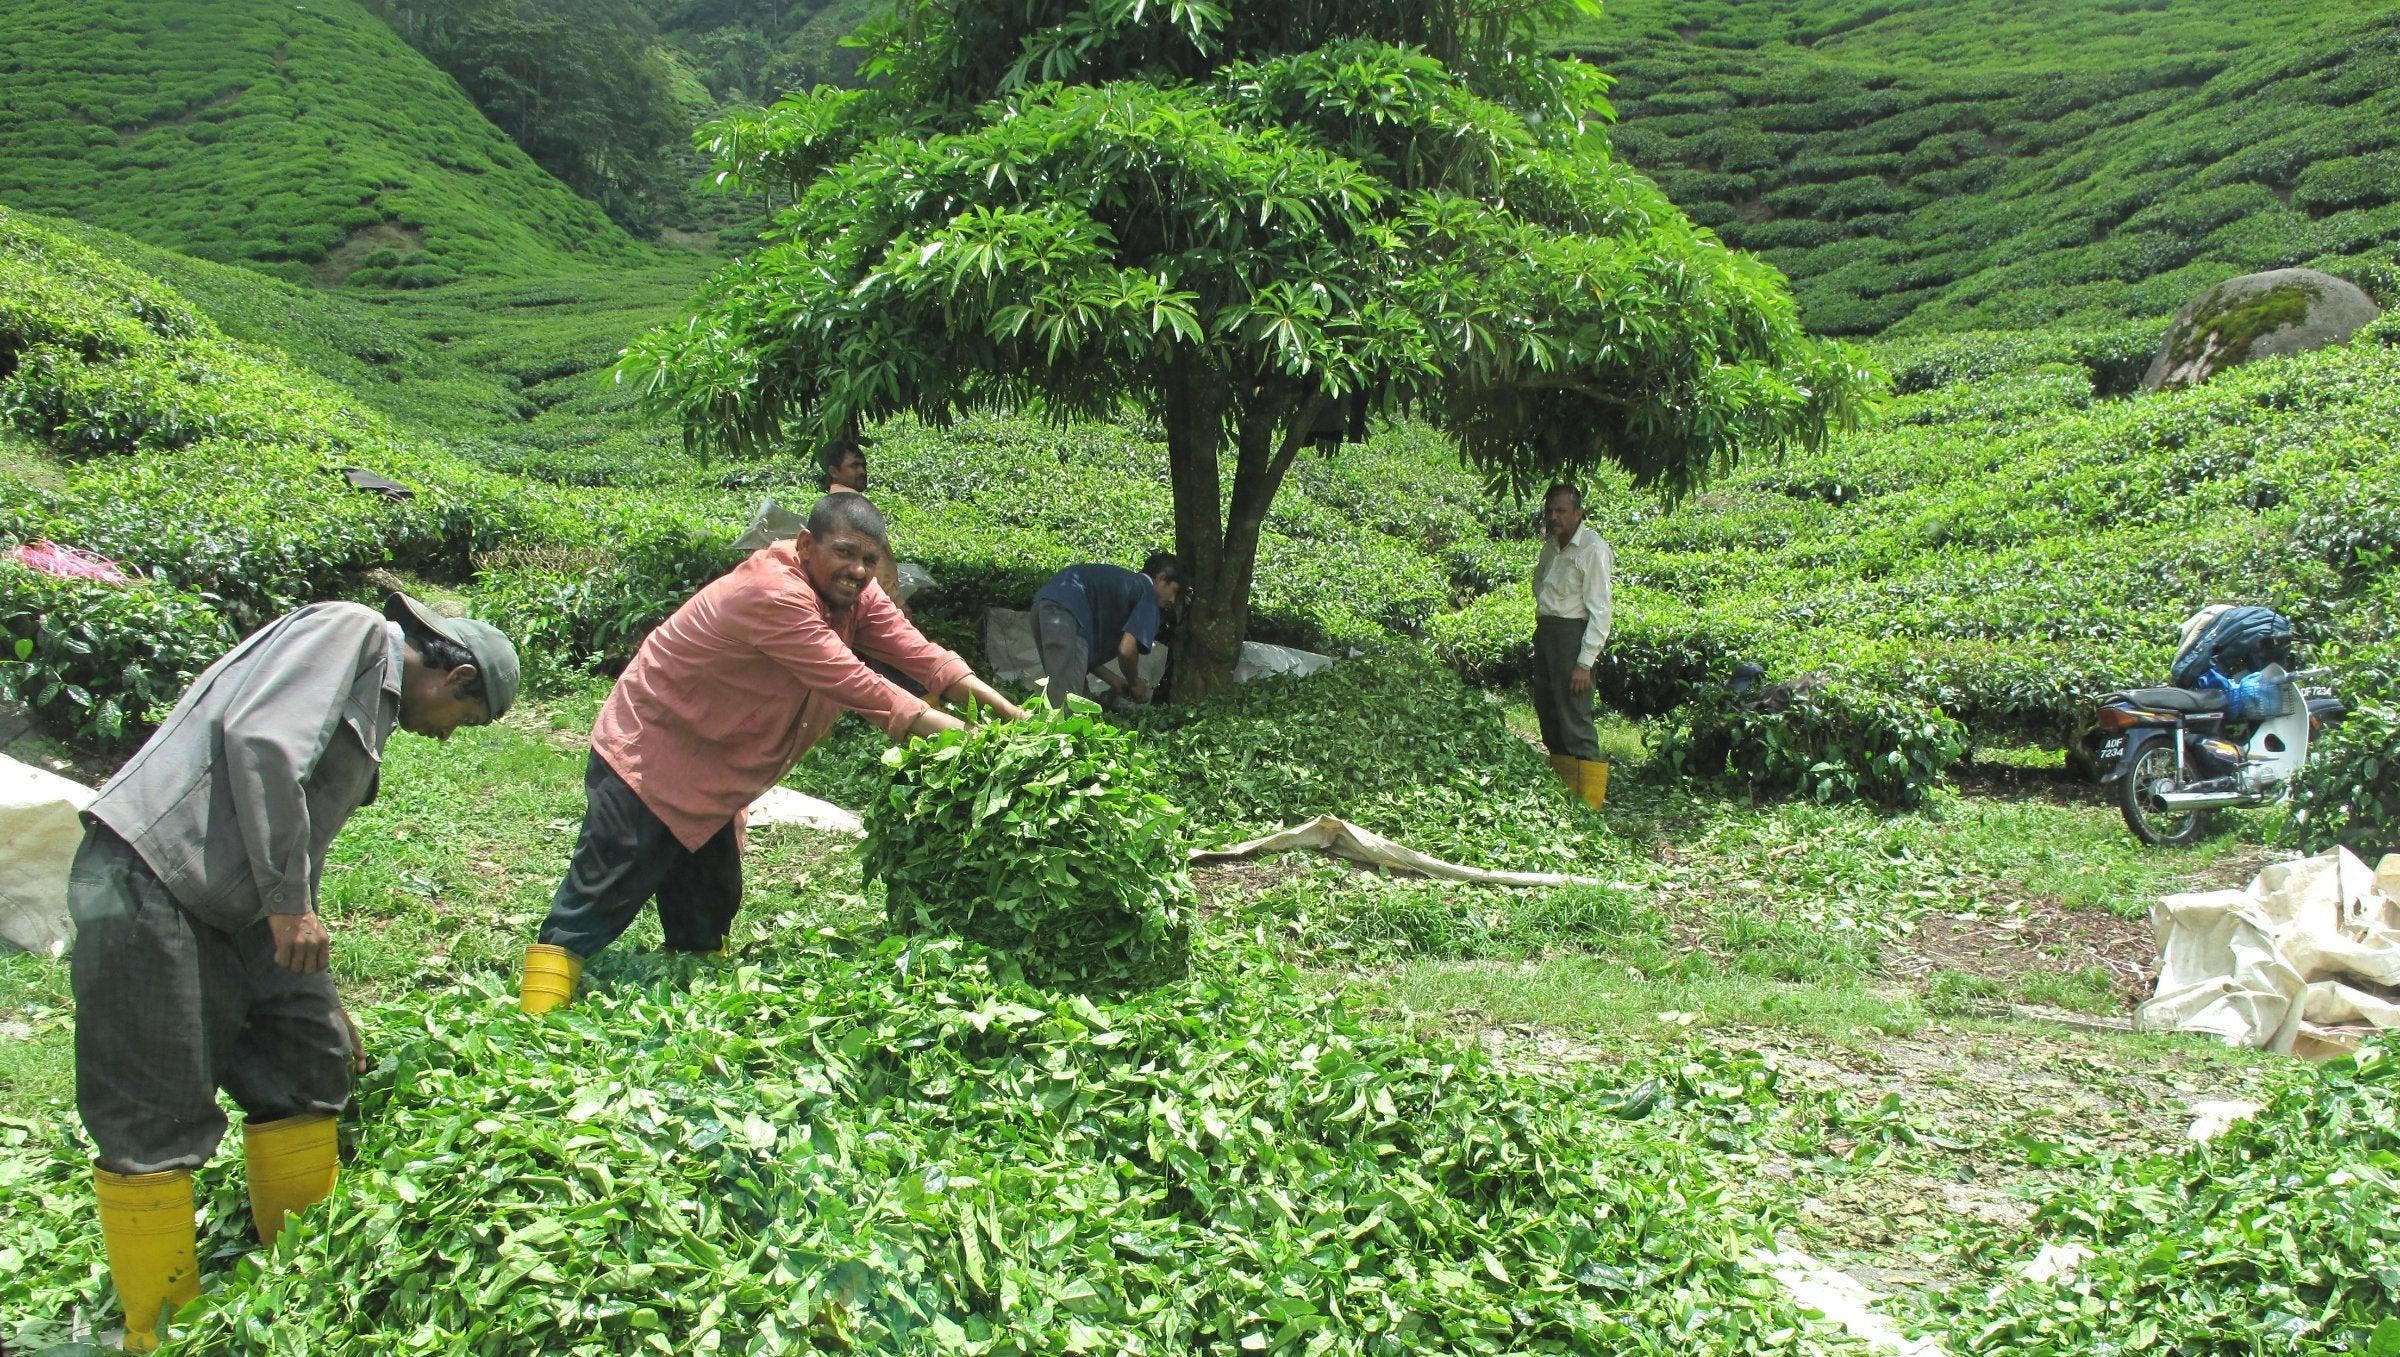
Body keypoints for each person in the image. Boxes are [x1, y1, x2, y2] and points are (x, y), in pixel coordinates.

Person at [71, 594, 517, 1351]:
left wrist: (322, 983)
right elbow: (260, 742)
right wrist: (287, 907)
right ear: (458, 676)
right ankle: (159, 1329)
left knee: (311, 1059)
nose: (444, 739)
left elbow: (297, 828)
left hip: (248, 904)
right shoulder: (349, 632)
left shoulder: (373, 702)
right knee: (153, 1112)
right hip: (159, 879)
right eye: (462, 723)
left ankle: (297, 1287)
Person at [519, 494, 1024, 1011]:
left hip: (720, 766)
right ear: (807, 544)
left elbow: (921, 654)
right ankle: (537, 1015)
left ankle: (692, 997)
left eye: (870, 560)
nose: (858, 570)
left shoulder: (853, 595)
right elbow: (863, 687)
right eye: (846, 553)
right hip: (655, 752)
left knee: (709, 897)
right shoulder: (772, 594)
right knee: (605, 886)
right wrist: (980, 741)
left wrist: (1016, 722)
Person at [1531, 483, 1614, 809]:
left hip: (1572, 639)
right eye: (1550, 511)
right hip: (1547, 633)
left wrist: (1584, 662)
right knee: (1549, 713)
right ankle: (1565, 797)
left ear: (1578, 514)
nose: (1554, 517)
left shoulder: (1592, 549)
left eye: (1561, 511)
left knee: (1575, 719)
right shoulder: (1551, 545)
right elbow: (1541, 585)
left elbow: (1600, 611)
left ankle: (1591, 804)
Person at [1029, 554, 1187, 710]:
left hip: (1042, 607)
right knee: (1067, 706)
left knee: (1076, 698)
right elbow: (1127, 651)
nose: (1172, 600)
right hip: (1063, 613)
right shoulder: (1148, 595)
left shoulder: (1126, 587)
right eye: (1174, 591)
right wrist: (1134, 683)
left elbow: (1079, 656)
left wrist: (1114, 680)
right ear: (1161, 578)